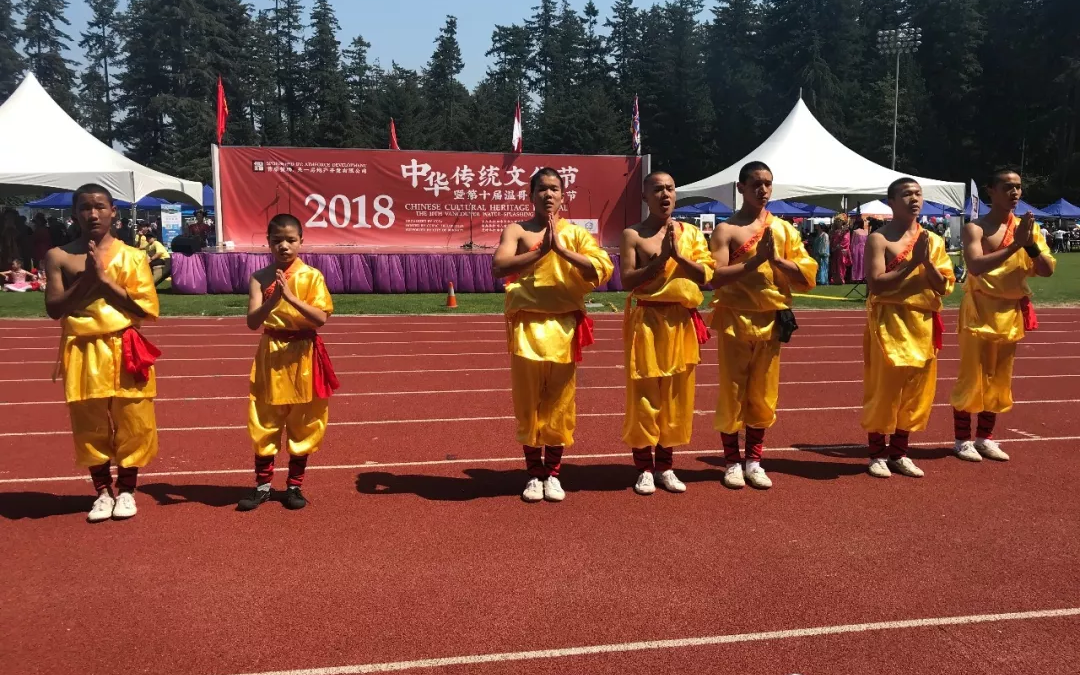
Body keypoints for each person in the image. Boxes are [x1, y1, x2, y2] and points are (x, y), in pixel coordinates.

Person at [491, 167, 614, 503]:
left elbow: (602, 268)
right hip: (527, 325)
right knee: (528, 400)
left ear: (563, 195)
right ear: (531, 195)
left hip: (564, 326)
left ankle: (554, 473)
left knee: (560, 402)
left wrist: (560, 251)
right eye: (542, 189)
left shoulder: (575, 235)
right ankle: (533, 474)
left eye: (555, 189)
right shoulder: (517, 230)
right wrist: (540, 252)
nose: (548, 195)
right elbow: (499, 266)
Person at [44, 184, 161, 522]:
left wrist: (107, 283)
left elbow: (145, 309)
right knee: (88, 422)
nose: (92, 214)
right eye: (84, 207)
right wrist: (88, 280)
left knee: (134, 419)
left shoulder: (133, 256)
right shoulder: (59, 256)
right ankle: (102, 491)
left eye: (99, 206)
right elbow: (54, 308)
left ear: (114, 211)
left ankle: (126, 489)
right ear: (73, 214)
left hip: (125, 344)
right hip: (83, 348)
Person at [708, 161, 818, 490]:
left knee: (763, 393)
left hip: (770, 322)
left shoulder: (783, 230)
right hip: (735, 320)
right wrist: (755, 260)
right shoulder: (725, 230)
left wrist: (777, 260)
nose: (763, 189)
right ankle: (730, 461)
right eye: (755, 182)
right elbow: (714, 277)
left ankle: (754, 460)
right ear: (740, 187)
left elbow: (807, 277)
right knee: (733, 391)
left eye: (768, 183)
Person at [950, 169, 1055, 463]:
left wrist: (1029, 245)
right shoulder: (977, 228)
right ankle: (962, 439)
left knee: (999, 378)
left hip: (1010, 313)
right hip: (979, 310)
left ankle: (985, 437)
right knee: (973, 376)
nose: (1015, 193)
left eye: (1019, 187)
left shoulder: (1027, 229)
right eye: (1008, 187)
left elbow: (1046, 269)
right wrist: (1015, 245)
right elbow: (975, 267)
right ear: (991, 192)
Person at [620, 171, 713, 496]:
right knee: (645, 395)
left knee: (677, 396)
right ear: (645, 196)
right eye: (657, 189)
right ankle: (644, 467)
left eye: (670, 189)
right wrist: (660, 262)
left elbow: (705, 275)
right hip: (646, 320)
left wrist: (679, 258)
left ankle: (666, 465)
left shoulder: (691, 234)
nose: (665, 195)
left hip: (680, 322)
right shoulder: (633, 234)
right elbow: (627, 280)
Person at [238, 214, 338, 512]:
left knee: (303, 419)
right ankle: (263, 486)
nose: (284, 246)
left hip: (303, 354)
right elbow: (253, 322)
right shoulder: (259, 277)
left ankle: (294, 486)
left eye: (291, 240)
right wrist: (272, 300)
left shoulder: (312, 276)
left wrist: (291, 298)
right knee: (265, 418)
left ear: (301, 242)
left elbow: (320, 318)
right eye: (277, 240)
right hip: (271, 353)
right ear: (268, 242)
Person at [862, 178, 955, 479]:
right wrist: (911, 262)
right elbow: (875, 283)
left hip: (922, 322)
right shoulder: (880, 238)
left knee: (916, 391)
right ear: (891, 201)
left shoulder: (933, 240)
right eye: (906, 194)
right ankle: (876, 453)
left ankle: (899, 452)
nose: (914, 199)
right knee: (885, 388)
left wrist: (926, 264)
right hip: (889, 320)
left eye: (918, 194)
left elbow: (943, 286)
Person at [830, 214, 852, 284]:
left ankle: (841, 279)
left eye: (839, 221)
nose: (838, 222)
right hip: (836, 250)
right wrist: (833, 247)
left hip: (842, 250)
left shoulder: (846, 231)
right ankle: (835, 279)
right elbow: (833, 240)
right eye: (837, 221)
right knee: (835, 265)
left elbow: (846, 240)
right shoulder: (835, 231)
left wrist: (840, 245)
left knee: (841, 265)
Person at [850, 216, 869, 281]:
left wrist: (852, 250)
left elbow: (853, 242)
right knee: (863, 263)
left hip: (857, 249)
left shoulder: (855, 231)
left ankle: (856, 277)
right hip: (864, 249)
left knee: (856, 263)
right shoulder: (866, 232)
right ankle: (863, 276)